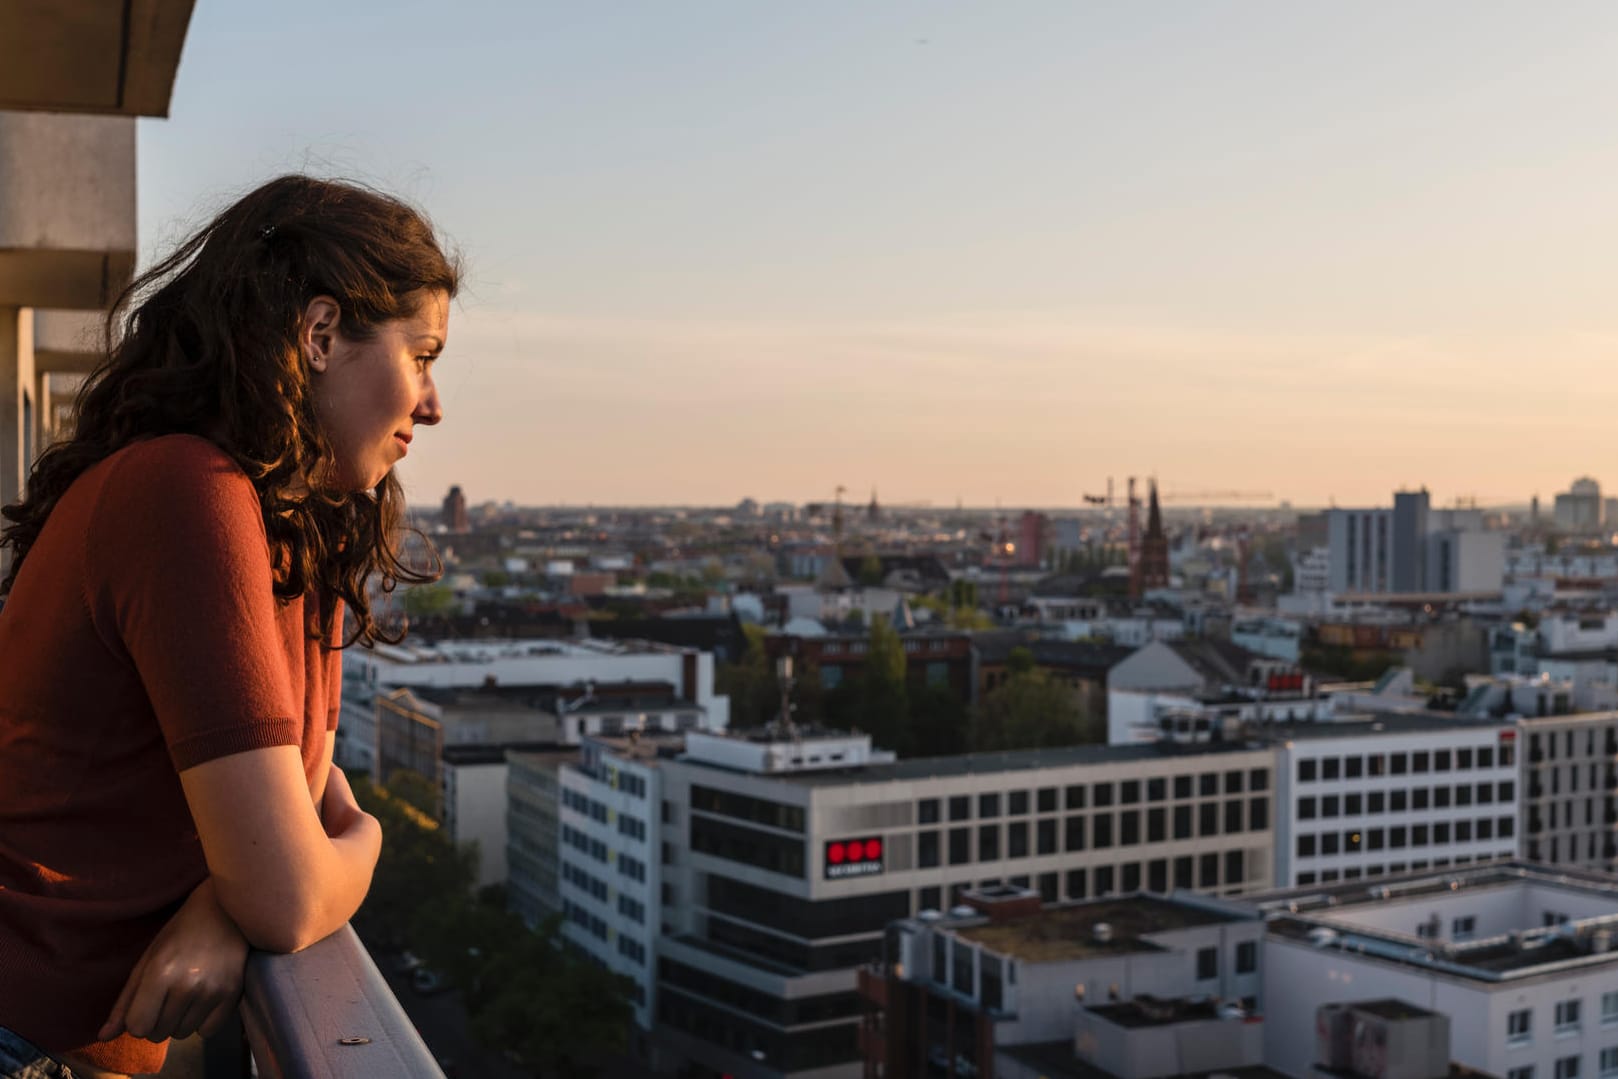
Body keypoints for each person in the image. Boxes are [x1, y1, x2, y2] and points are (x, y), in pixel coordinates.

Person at [0, 175, 458, 1078]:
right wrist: (363, 842)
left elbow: (299, 805)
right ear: (322, 334)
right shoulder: (183, 493)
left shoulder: (297, 541)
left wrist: (225, 903)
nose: (434, 405)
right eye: (423, 355)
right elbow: (293, 883)